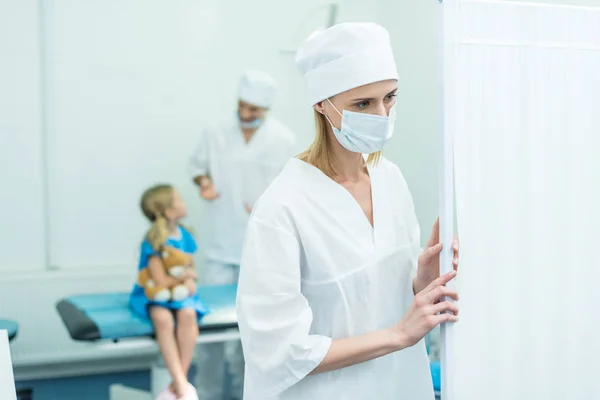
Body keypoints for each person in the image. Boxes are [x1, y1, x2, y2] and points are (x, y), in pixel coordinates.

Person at [236, 22, 460, 399]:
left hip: (399, 385)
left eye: (389, 98)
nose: (381, 114)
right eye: (362, 104)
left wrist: (421, 280)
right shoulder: (283, 208)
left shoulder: (390, 179)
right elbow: (277, 353)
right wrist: (398, 335)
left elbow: (376, 298)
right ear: (322, 104)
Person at [189, 70, 296, 400]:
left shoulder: (283, 139)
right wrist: (204, 184)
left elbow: (291, 188)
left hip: (259, 248)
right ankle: (205, 394)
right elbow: (198, 169)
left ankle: (246, 394)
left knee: (254, 335)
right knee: (209, 337)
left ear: (265, 110)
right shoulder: (215, 132)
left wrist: (269, 206)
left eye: (254, 109)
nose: (245, 114)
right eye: (242, 106)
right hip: (221, 243)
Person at [129, 184, 207, 400]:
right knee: (163, 319)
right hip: (157, 293)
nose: (184, 202)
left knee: (188, 314)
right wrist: (187, 277)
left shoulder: (185, 235)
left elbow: (191, 269)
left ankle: (177, 383)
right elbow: (161, 281)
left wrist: (190, 280)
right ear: (168, 210)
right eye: (179, 199)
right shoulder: (154, 241)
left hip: (180, 294)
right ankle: (183, 387)